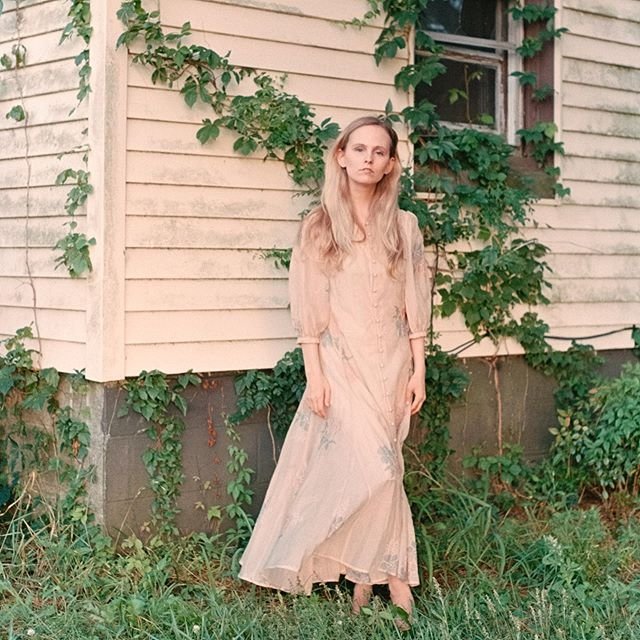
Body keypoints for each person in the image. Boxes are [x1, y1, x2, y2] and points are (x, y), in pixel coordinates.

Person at [238, 115, 430, 621]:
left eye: (379, 152)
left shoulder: (405, 226)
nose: (369, 158)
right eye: (359, 149)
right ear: (341, 156)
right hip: (342, 365)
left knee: (387, 469)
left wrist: (419, 370)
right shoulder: (318, 226)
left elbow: (416, 301)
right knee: (379, 471)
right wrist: (315, 375)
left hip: (393, 366)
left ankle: (364, 578)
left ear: (390, 164)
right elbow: (309, 306)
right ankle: (396, 580)